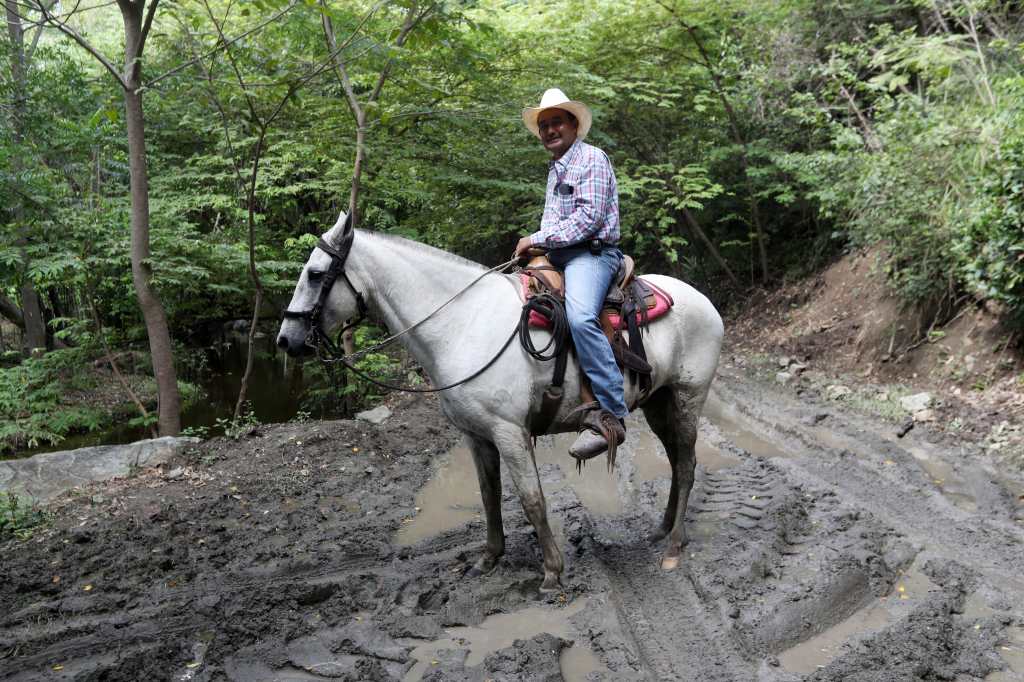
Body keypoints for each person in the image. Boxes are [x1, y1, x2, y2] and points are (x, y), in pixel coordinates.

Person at [515, 88, 627, 460]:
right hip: (561, 256)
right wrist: (537, 248)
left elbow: (589, 218)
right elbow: (554, 222)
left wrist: (536, 237)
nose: (549, 130)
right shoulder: (556, 169)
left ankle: (611, 412)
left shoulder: (591, 159)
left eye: (556, 122)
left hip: (592, 255)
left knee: (579, 317)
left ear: (574, 124)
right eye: (543, 125)